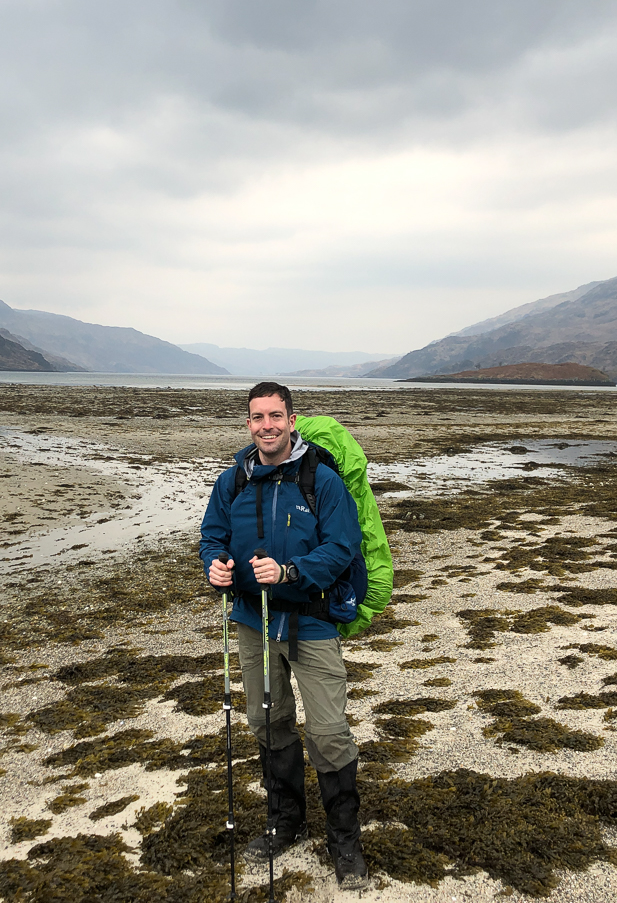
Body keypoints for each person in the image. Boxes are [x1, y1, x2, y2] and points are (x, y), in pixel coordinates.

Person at [200, 381, 369, 889]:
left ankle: (345, 839)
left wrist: (292, 572)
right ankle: (284, 821)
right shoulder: (232, 481)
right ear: (248, 423)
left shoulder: (323, 481)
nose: (266, 425)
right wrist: (215, 567)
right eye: (257, 417)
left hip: (312, 621)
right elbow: (212, 536)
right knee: (266, 721)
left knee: (328, 732)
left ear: (292, 420)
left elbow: (342, 547)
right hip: (254, 622)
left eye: (276, 416)